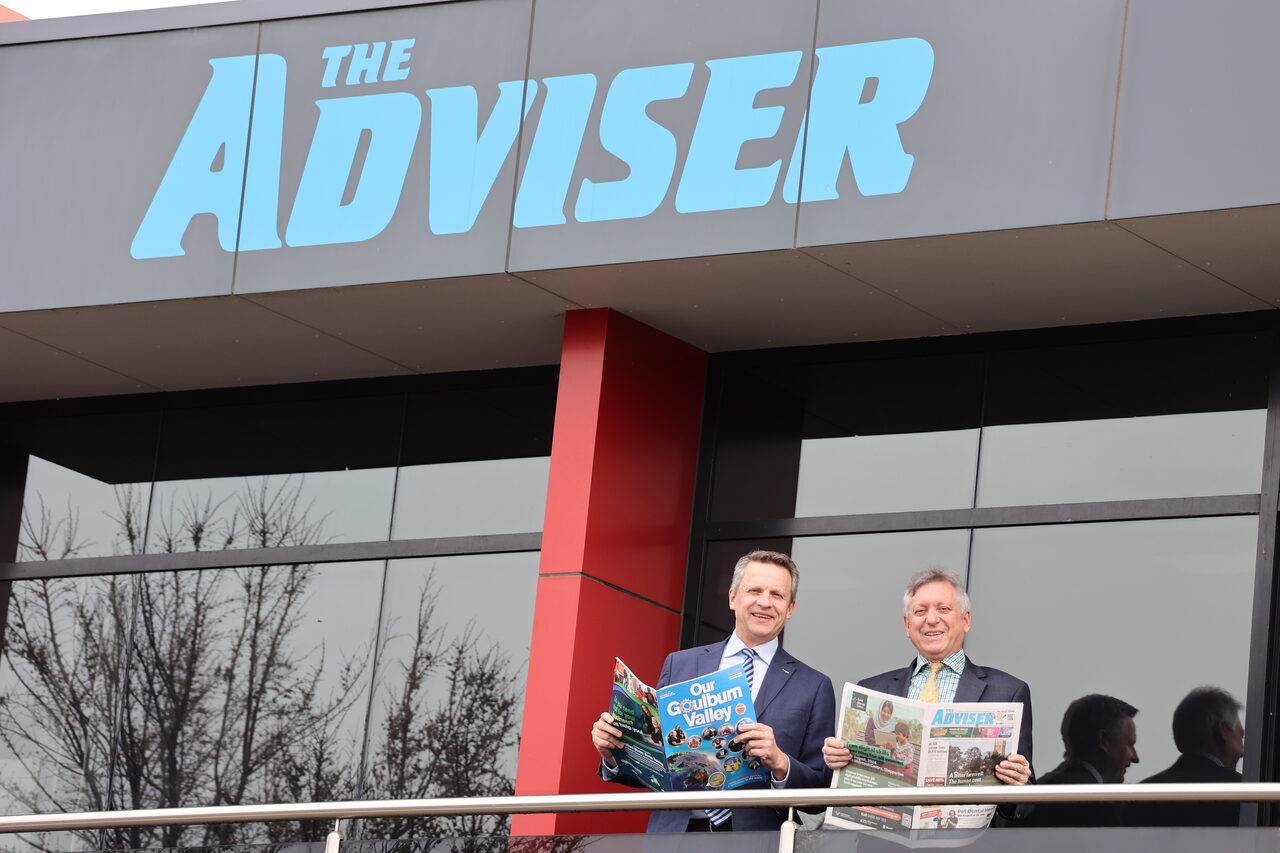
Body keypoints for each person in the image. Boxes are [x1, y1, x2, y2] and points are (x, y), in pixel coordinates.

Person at [591, 550, 836, 832]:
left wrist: (781, 762)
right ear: (733, 598)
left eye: (777, 595)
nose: (765, 602)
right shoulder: (680, 663)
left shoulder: (814, 686)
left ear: (790, 608)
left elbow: (820, 794)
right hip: (675, 836)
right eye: (754, 590)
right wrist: (613, 752)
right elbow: (656, 765)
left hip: (756, 840)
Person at [820, 567, 1033, 787]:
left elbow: (1026, 798)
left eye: (943, 609)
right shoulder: (872, 690)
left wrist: (1018, 781)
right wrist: (834, 761)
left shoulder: (1008, 692)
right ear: (907, 625)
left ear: (966, 620)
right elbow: (836, 785)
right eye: (920, 611)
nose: (931, 619)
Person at [1128, 686, 1244, 826]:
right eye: (1241, 736)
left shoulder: (1141, 794)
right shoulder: (1245, 792)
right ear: (1223, 730)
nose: (1242, 752)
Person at [1022, 693, 1139, 827]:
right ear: (1103, 741)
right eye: (1130, 744)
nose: (1135, 757)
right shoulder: (1096, 804)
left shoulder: (1042, 794)